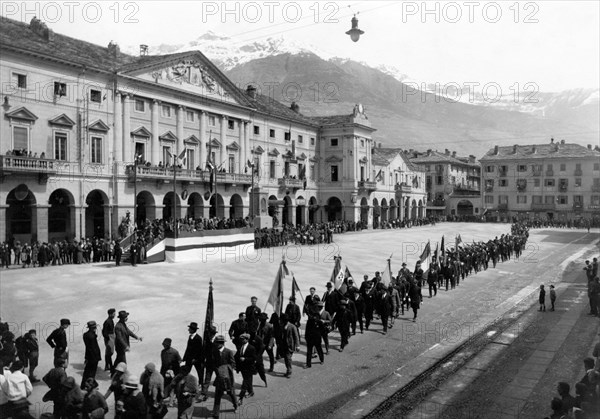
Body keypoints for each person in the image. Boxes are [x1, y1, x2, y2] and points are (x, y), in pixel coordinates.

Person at [211, 335, 237, 419]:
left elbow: (233, 363)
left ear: (222, 343)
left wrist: (226, 369)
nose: (216, 344)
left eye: (218, 343)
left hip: (228, 377)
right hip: (219, 377)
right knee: (218, 395)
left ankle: (235, 404)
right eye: (216, 343)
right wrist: (217, 370)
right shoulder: (214, 352)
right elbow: (213, 363)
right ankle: (216, 414)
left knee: (231, 393)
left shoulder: (229, 352)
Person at [235, 333, 256, 405]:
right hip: (242, 368)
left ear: (247, 339)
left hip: (249, 368)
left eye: (243, 339)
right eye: (241, 339)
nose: (241, 340)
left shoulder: (251, 348)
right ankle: (251, 392)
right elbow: (236, 356)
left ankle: (240, 398)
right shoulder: (240, 347)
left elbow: (253, 358)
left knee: (245, 383)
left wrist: (245, 359)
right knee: (248, 381)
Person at [82, 321, 102, 388]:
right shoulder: (92, 336)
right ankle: (90, 386)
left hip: (88, 356)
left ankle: (83, 385)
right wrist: (97, 357)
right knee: (92, 373)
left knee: (87, 371)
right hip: (94, 357)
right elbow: (94, 348)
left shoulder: (85, 335)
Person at [280, 314, 300, 378]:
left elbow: (296, 336)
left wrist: (297, 346)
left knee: (288, 358)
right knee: (286, 358)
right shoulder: (283, 326)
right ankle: (288, 370)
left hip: (290, 346)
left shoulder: (292, 326)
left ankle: (289, 370)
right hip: (284, 345)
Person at [102, 308, 116, 373]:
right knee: (109, 352)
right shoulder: (107, 322)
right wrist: (109, 338)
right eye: (114, 314)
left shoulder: (110, 320)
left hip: (111, 338)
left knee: (110, 352)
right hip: (109, 339)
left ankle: (108, 365)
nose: (114, 315)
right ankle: (109, 366)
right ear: (110, 314)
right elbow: (104, 332)